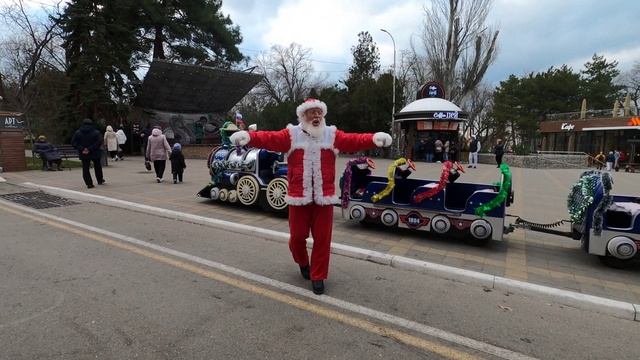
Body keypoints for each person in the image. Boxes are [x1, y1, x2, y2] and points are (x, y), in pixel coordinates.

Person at [230, 98, 392, 295]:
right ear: (303, 115)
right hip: (298, 198)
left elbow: (353, 139)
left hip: (324, 199)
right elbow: (269, 137)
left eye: (319, 112)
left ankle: (318, 276)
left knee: (322, 240)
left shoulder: (331, 135)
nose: (316, 116)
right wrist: (249, 136)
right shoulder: (291, 135)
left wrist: (373, 138)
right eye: (312, 112)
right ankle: (302, 262)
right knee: (297, 238)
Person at [71, 118, 105, 188]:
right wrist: (90, 149)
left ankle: (89, 183)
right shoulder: (96, 132)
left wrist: (83, 149)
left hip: (83, 153)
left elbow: (73, 143)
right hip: (94, 152)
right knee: (97, 166)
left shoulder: (78, 132)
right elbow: (99, 142)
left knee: (85, 168)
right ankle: (100, 180)